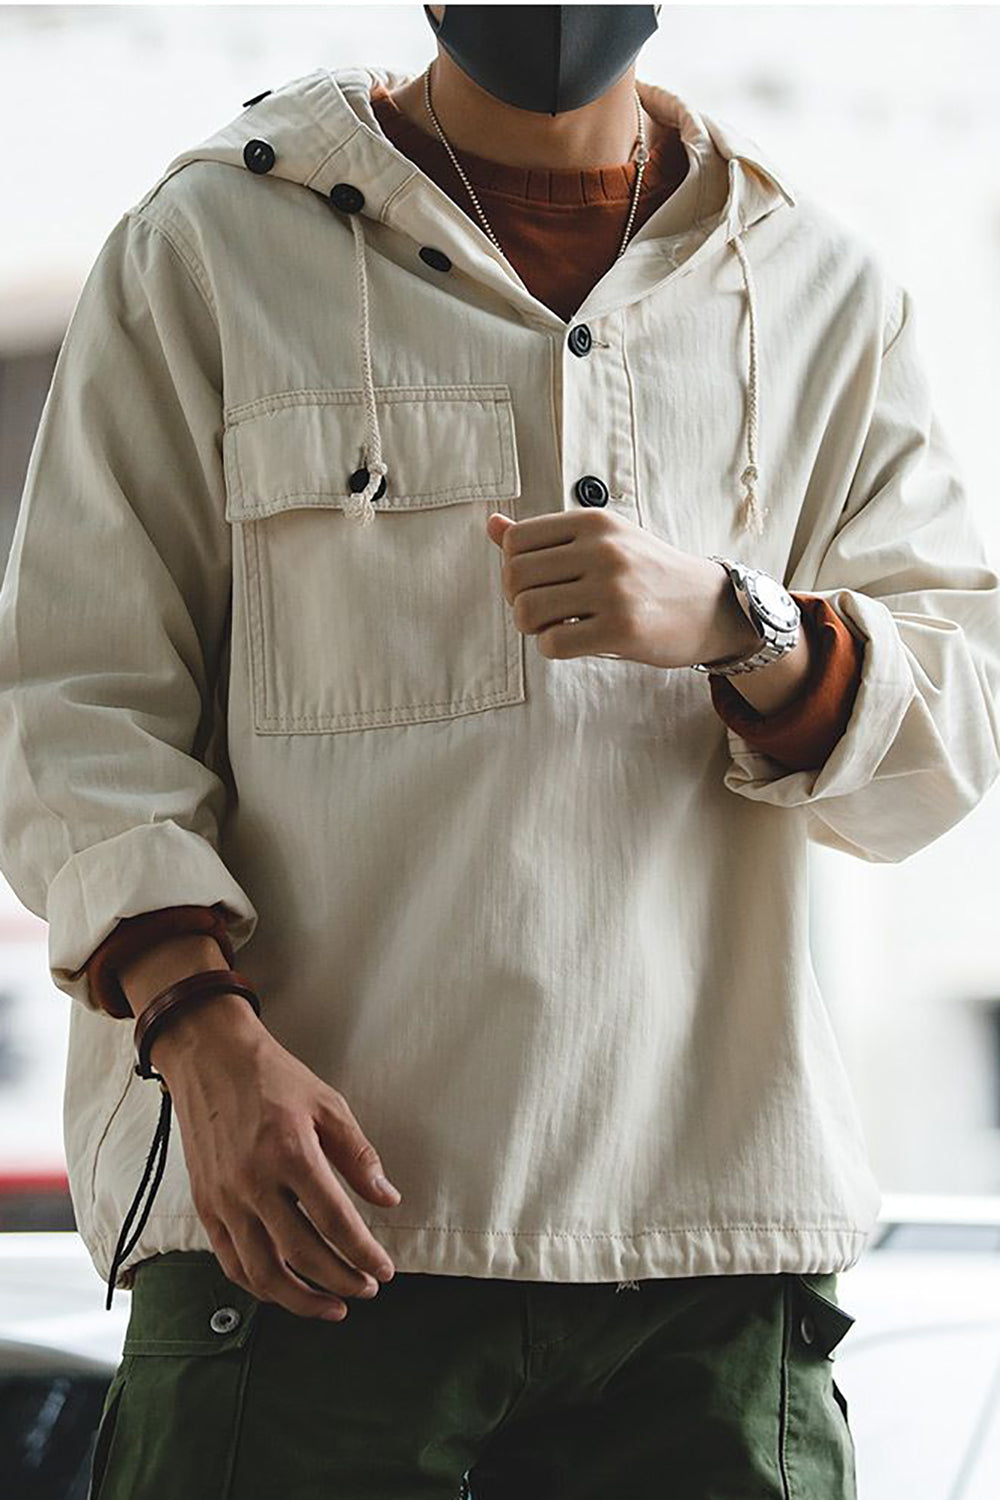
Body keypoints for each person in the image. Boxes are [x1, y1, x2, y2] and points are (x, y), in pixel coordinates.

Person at [1, 4, 998, 1496]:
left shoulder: (814, 287)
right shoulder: (212, 244)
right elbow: (74, 692)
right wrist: (197, 1034)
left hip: (712, 1258)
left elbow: (955, 733)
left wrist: (745, 625)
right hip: (303, 1237)